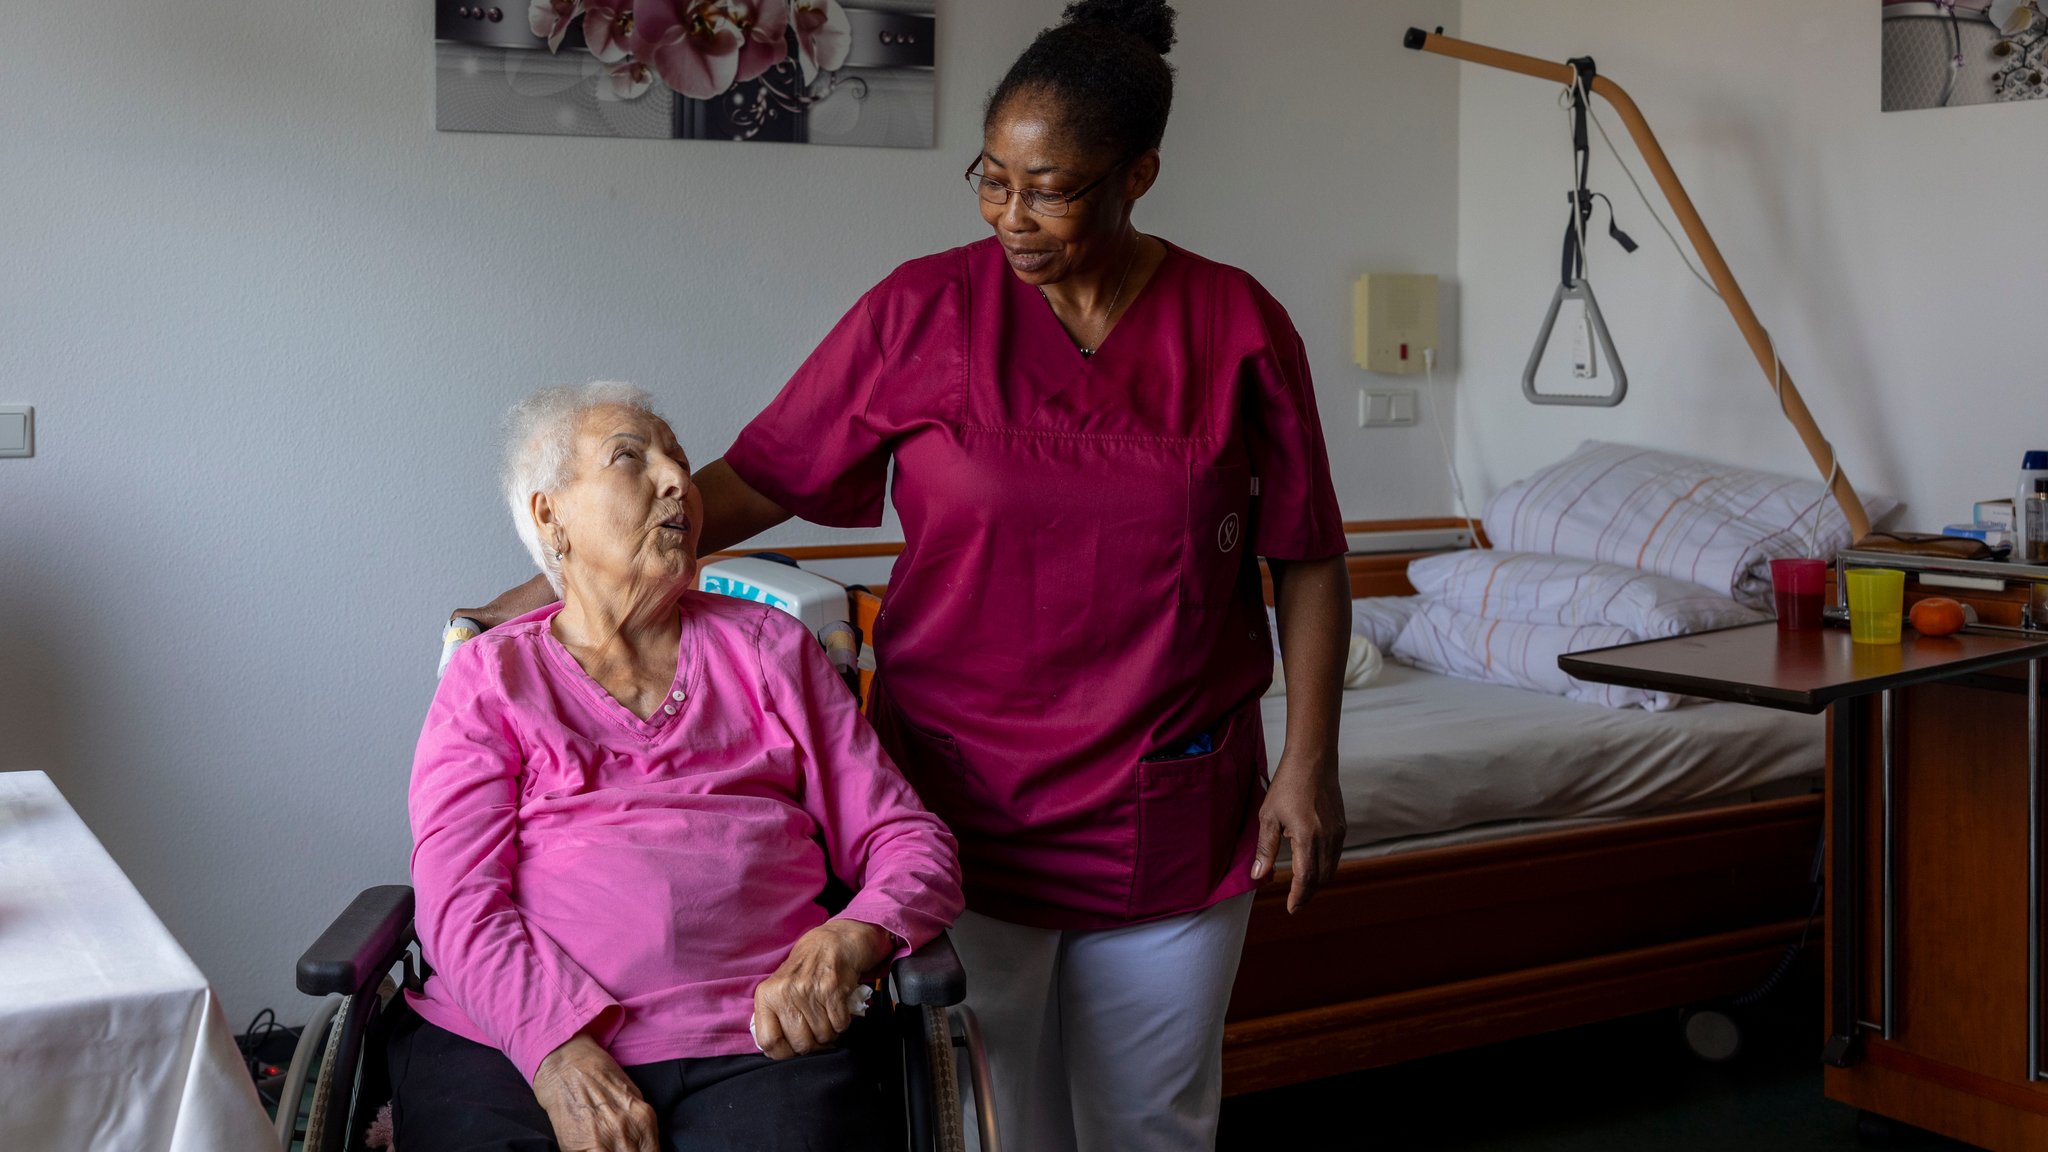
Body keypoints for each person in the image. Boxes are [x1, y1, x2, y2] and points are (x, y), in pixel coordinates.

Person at [456, 2, 1350, 1146]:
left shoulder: (1235, 323)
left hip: (1164, 800)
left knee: (1155, 1126)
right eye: (992, 179)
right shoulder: (924, 309)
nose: (1010, 218)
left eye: (1051, 190)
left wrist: (1309, 765)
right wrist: (546, 583)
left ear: (1138, 176)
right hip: (960, 799)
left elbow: (1309, 554)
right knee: (990, 1123)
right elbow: (753, 479)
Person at [399, 381, 963, 1152]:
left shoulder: (767, 649)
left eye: (681, 462)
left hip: (757, 1038)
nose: (676, 481)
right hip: (513, 1044)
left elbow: (909, 840)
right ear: (548, 514)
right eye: (631, 457)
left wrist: (850, 938)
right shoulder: (492, 678)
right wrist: (556, 1052)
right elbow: (458, 901)